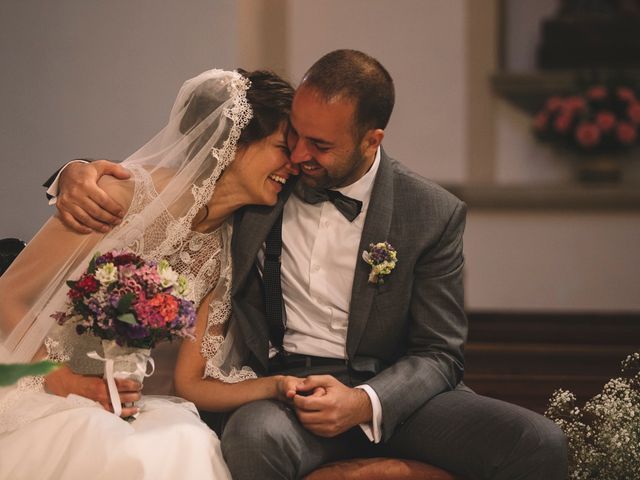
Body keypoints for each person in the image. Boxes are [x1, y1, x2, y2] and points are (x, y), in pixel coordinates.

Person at [48, 50, 568, 480]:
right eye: (294, 134)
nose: (298, 154)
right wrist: (75, 171)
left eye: (320, 144)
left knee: (538, 443)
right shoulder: (269, 183)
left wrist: (366, 401)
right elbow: (189, 171)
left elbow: (440, 353)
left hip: (391, 395)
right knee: (253, 439)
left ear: (372, 140)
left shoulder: (431, 213)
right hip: (285, 392)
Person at [0, 68, 302, 479]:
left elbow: (191, 383)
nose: (295, 165)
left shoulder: (224, 253)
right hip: (33, 378)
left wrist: (279, 385)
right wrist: (69, 382)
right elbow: (7, 295)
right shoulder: (119, 196)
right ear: (233, 144)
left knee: (183, 442)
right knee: (95, 439)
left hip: (118, 401)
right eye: (283, 147)